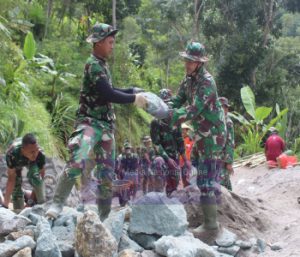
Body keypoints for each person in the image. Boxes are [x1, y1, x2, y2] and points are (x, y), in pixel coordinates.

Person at [46, 23, 147, 221]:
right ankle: (57, 205)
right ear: (98, 43)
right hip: (90, 124)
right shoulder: (92, 64)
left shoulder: (102, 65)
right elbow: (108, 93)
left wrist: (133, 90)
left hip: (106, 127)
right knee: (77, 160)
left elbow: (111, 88)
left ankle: (103, 218)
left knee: (107, 174)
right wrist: (133, 99)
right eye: (110, 42)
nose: (112, 45)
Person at [165, 42, 226, 241]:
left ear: (199, 63)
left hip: (212, 135)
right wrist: (165, 108)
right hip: (201, 133)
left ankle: (211, 225)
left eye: (191, 61)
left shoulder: (207, 82)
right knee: (201, 174)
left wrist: (172, 116)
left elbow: (193, 109)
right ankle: (208, 218)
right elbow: (178, 100)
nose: (187, 63)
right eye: (186, 60)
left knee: (206, 179)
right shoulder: (188, 80)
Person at [150, 88, 190, 196]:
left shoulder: (175, 120)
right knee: (159, 163)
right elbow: (156, 144)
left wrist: (185, 160)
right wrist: (167, 159)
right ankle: (158, 195)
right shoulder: (155, 122)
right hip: (162, 158)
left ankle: (169, 197)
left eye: (168, 104)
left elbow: (179, 140)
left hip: (174, 158)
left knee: (174, 186)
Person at [4, 133, 46, 210]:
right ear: (23, 150)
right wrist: (5, 205)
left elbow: (40, 179)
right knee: (16, 185)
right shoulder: (11, 154)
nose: (35, 154)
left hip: (32, 163)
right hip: (17, 160)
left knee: (35, 175)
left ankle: (42, 206)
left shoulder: (39, 154)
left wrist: (30, 201)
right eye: (32, 152)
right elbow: (11, 180)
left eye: (36, 150)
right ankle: (18, 209)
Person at [218, 97, 234, 191]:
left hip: (224, 157)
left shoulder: (228, 122)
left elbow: (230, 142)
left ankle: (230, 198)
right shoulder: (218, 121)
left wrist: (229, 162)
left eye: (225, 107)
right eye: (221, 107)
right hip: (217, 156)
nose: (224, 109)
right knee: (223, 179)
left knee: (223, 179)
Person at [117, 141, 139, 205]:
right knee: (135, 185)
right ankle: (134, 198)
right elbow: (138, 165)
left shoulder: (123, 157)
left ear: (125, 149)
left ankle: (126, 199)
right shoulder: (135, 156)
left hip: (127, 174)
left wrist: (118, 173)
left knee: (125, 187)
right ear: (130, 149)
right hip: (134, 174)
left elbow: (120, 167)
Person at [179, 123, 194, 187]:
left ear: (187, 130)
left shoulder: (190, 140)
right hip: (178, 162)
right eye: (181, 129)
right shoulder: (178, 139)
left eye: (184, 129)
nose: (182, 131)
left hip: (186, 162)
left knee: (186, 179)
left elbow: (191, 150)